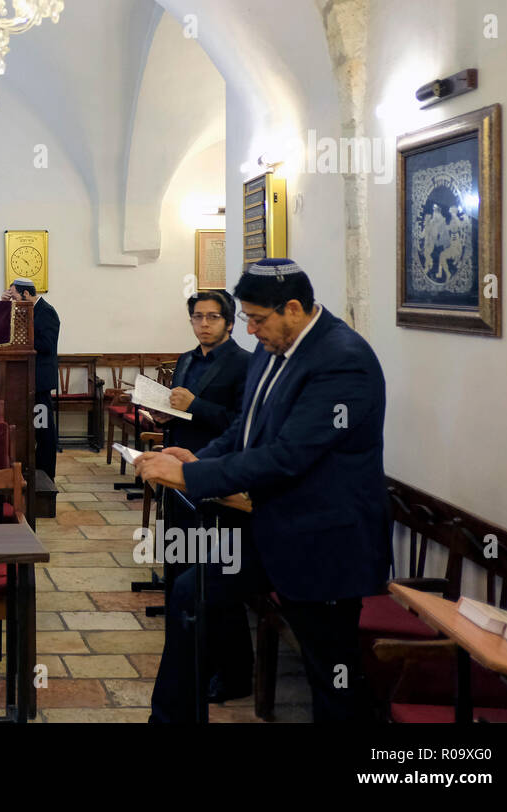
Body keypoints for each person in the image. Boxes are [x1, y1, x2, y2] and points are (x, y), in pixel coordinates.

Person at [138, 259, 389, 723]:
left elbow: (290, 454)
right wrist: (199, 458)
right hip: (271, 527)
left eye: (256, 318)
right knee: (191, 595)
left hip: (324, 538)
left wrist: (192, 480)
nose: (249, 329)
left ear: (293, 308)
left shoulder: (342, 360)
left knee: (332, 673)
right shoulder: (275, 349)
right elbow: (247, 430)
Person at [150, 289, 252, 702]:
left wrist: (196, 405)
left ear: (229, 322)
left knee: (212, 583)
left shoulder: (245, 364)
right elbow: (180, 412)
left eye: (212, 317)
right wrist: (164, 414)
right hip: (180, 477)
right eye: (197, 317)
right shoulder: (186, 360)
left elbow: (242, 425)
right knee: (180, 572)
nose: (204, 324)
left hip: (217, 481)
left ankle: (231, 673)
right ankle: (189, 658)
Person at [4, 277, 59, 479]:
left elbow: (46, 345)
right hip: (27, 381)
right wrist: (4, 305)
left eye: (15, 296)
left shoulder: (47, 312)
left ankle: (46, 474)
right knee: (32, 428)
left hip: (40, 383)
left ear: (26, 294)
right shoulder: (26, 311)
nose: (15, 301)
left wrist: (25, 337)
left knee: (43, 428)